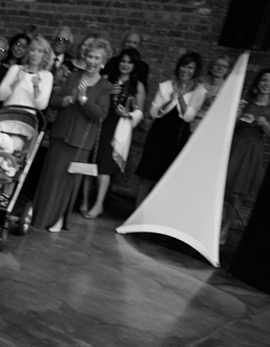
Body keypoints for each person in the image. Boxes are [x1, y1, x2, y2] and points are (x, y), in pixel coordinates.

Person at [32, 37, 113, 232]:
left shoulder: (105, 87)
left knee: (68, 183)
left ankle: (59, 219)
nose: (92, 61)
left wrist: (84, 101)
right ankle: (38, 218)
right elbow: (53, 99)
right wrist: (65, 100)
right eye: (90, 56)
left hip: (80, 142)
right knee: (50, 179)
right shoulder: (74, 76)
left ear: (103, 62)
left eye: (97, 58)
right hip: (60, 134)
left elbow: (101, 115)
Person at [81, 47, 145, 219]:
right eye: (123, 61)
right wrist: (109, 92)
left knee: (105, 167)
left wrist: (127, 114)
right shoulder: (107, 79)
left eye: (129, 62)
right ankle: (84, 201)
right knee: (90, 163)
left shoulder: (137, 86)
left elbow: (140, 112)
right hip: (100, 122)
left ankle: (98, 204)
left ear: (134, 65)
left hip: (117, 128)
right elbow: (96, 100)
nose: (125, 65)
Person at [135, 52, 206, 206]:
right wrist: (170, 101)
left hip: (178, 135)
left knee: (166, 177)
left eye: (190, 68)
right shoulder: (165, 86)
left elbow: (189, 117)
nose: (185, 70)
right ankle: (136, 213)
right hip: (159, 133)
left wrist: (180, 99)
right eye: (183, 66)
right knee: (147, 175)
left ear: (195, 71)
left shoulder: (199, 91)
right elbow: (154, 112)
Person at [222, 68, 270, 244]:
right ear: (258, 81)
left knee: (237, 194)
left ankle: (225, 230)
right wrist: (237, 112)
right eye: (265, 80)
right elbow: (230, 126)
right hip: (234, 145)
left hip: (251, 151)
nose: (267, 85)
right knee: (221, 188)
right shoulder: (246, 102)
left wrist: (265, 124)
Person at [0, 34, 53, 110]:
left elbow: (41, 106)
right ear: (28, 52)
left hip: (27, 118)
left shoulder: (47, 75)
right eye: (32, 50)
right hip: (7, 114)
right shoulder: (15, 69)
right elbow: (0, 96)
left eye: (40, 51)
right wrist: (16, 82)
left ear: (45, 55)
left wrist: (36, 88)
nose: (35, 54)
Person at [192, 55, 230, 130]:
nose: (220, 68)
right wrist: (204, 103)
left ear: (227, 71)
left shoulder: (228, 89)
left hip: (215, 127)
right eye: (217, 65)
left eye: (224, 66)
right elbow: (190, 109)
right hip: (197, 126)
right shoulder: (200, 86)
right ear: (211, 68)